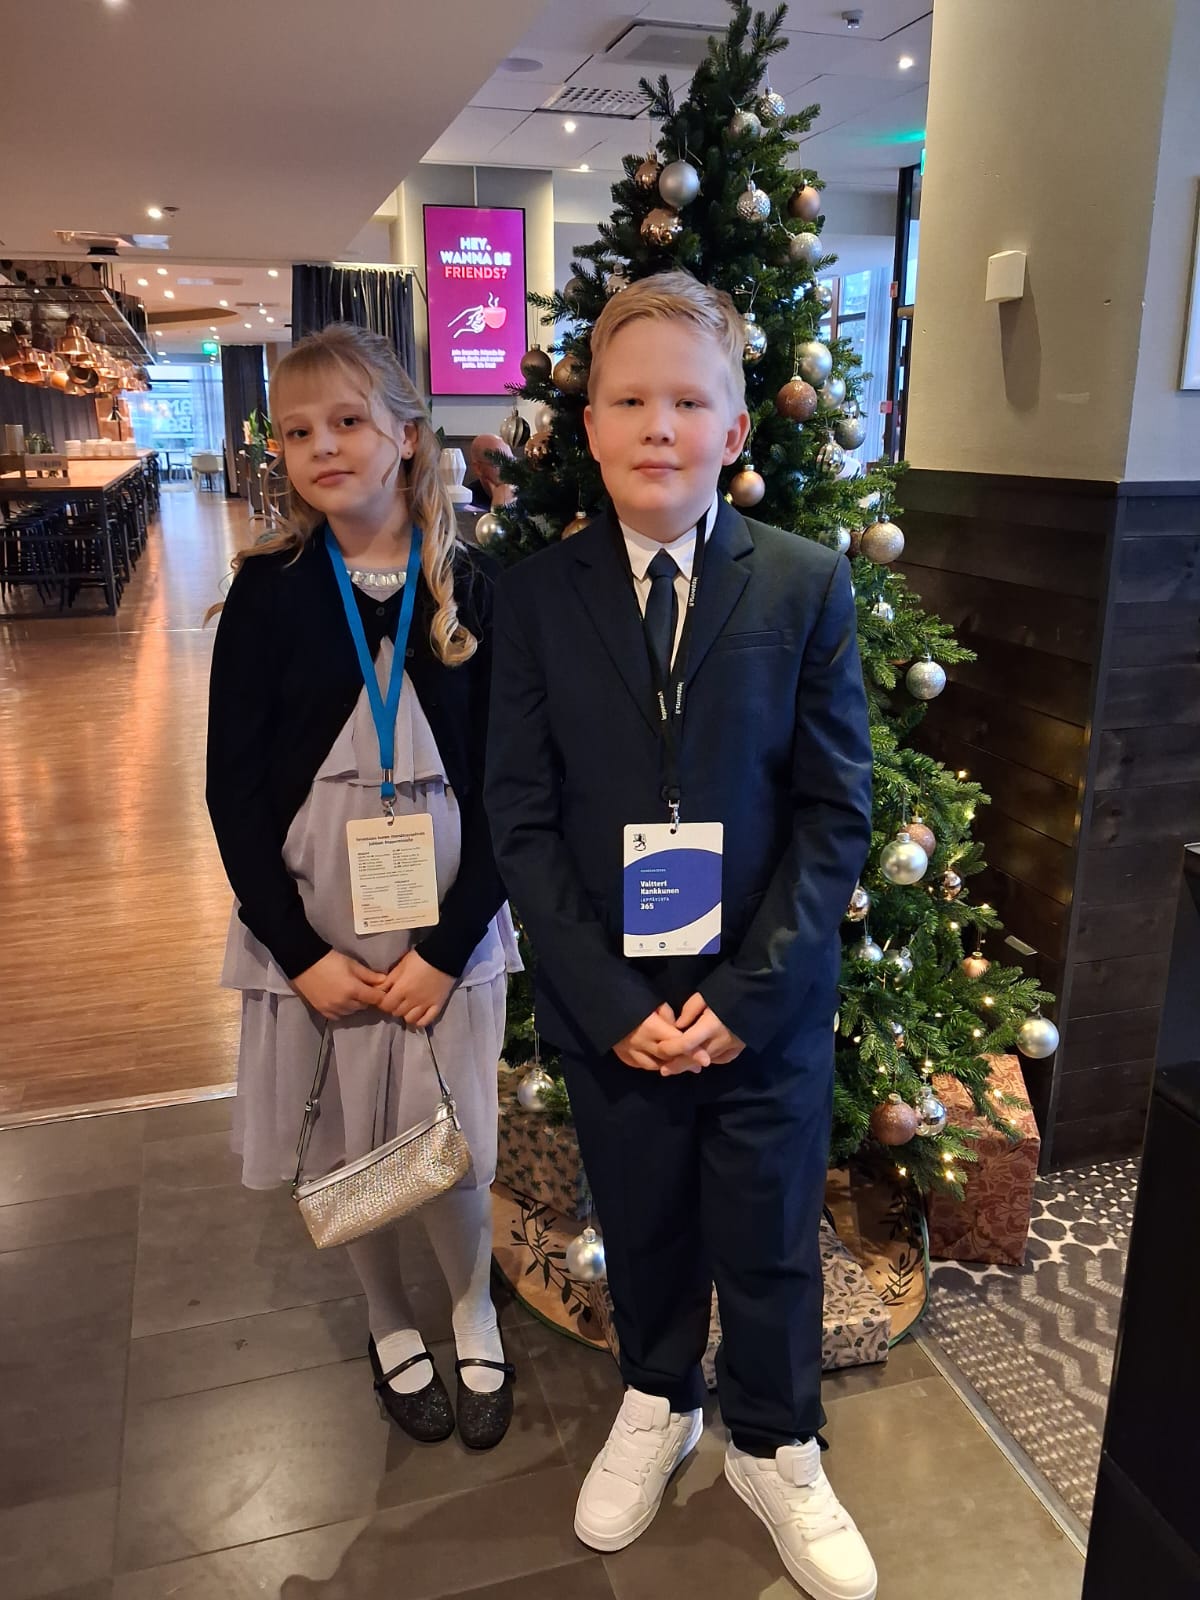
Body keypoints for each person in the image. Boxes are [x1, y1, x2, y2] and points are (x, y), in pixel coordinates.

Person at [485, 273, 877, 1599]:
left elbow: (834, 810)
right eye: (632, 400)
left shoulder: (806, 586)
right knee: (644, 1216)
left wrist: (753, 995)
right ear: (589, 424)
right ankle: (659, 1395)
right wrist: (606, 999)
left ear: (735, 429)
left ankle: (776, 1439)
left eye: (690, 402)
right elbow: (521, 816)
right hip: (616, 1007)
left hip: (763, 1001)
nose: (661, 425)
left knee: (768, 1229)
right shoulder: (535, 599)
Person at [207, 323, 520, 1451]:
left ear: (407, 435)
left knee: (456, 1135)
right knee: (351, 1141)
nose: (323, 447)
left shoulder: (474, 587)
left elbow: (515, 792)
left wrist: (447, 949)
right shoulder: (269, 593)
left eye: (348, 422)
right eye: (298, 433)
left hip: (448, 939)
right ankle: (387, 1316)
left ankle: (473, 1304)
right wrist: (300, 955)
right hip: (320, 941)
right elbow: (233, 794)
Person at [465, 432, 515, 509]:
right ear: (478, 468)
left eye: (511, 462)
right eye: (500, 464)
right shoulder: (468, 502)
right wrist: (500, 507)